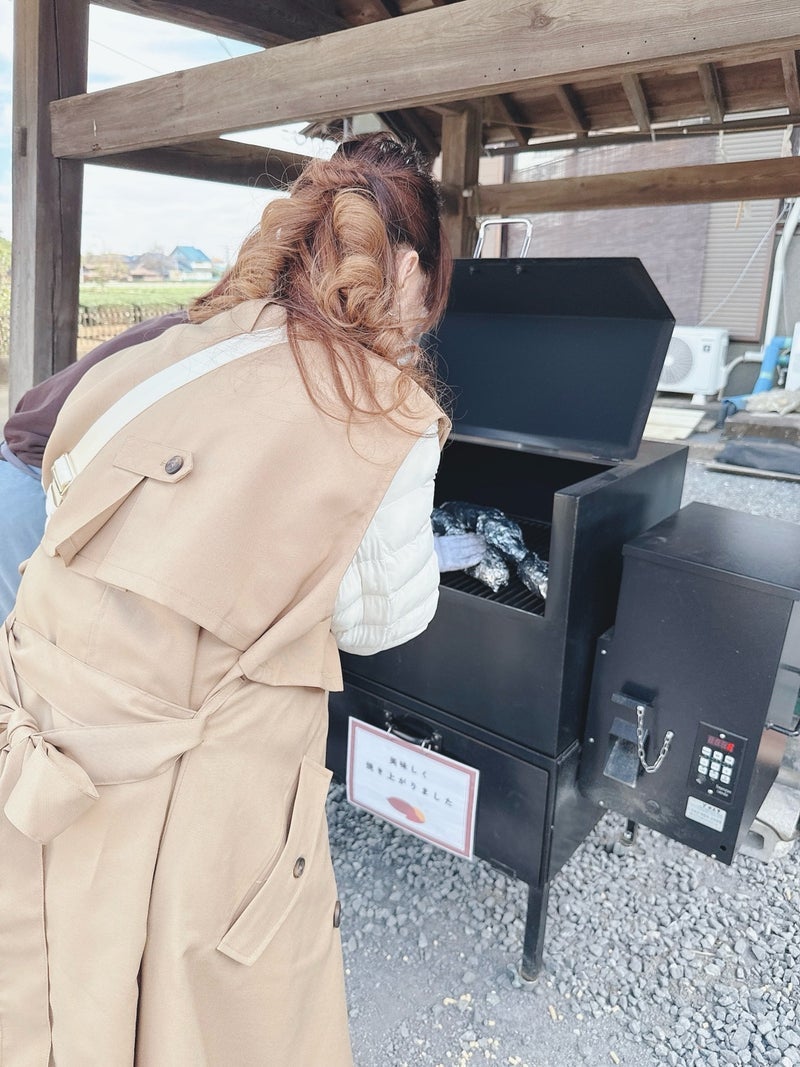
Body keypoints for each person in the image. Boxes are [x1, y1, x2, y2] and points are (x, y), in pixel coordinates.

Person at [0, 133, 452, 1065]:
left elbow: (65, 479)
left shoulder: (178, 343)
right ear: (407, 269)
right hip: (184, 799)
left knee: (55, 1007)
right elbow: (383, 619)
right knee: (193, 1018)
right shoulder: (381, 407)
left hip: (45, 732)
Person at [0, 309, 187, 617]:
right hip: (43, 493)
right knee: (44, 649)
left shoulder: (180, 325)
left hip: (18, 473)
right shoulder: (228, 344)